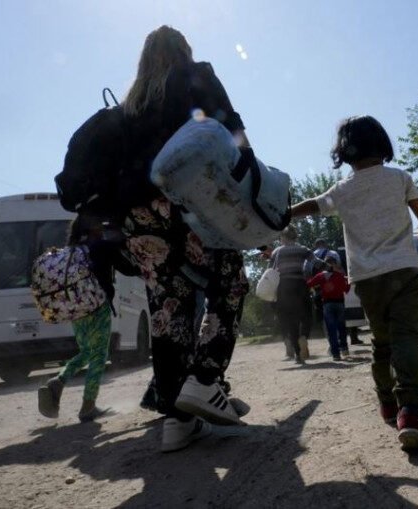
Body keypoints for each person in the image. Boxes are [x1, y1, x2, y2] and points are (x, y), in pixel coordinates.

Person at [118, 26, 250, 452]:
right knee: (228, 285)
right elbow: (233, 132)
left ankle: (176, 420)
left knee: (167, 309)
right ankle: (206, 379)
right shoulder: (197, 75)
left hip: (137, 218)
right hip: (189, 204)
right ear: (184, 51)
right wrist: (249, 182)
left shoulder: (131, 103)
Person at [291, 115, 418, 452]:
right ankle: (410, 413)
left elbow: (313, 206)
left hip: (368, 279)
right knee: (408, 338)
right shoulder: (399, 178)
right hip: (404, 270)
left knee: (382, 342)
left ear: (343, 151)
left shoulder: (343, 190)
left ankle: (387, 403)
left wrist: (283, 213)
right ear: (383, 144)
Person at [38, 213, 118, 423]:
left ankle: (59, 380)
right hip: (97, 307)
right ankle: (88, 406)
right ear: (93, 228)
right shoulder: (100, 246)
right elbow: (127, 262)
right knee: (99, 355)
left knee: (86, 352)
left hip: (76, 309)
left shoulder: (70, 252)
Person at [270, 226, 323, 365]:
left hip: (284, 287)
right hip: (300, 285)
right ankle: (304, 336)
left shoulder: (277, 251)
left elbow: (270, 271)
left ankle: (298, 355)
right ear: (295, 236)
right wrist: (330, 268)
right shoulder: (303, 249)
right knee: (306, 315)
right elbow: (317, 262)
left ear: (283, 237)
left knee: (290, 320)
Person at [307, 255, 350, 360]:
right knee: (341, 328)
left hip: (327, 304)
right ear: (335, 264)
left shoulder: (321, 276)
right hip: (340, 303)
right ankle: (344, 349)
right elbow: (346, 289)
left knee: (331, 330)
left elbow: (309, 284)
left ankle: (336, 354)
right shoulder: (340, 276)